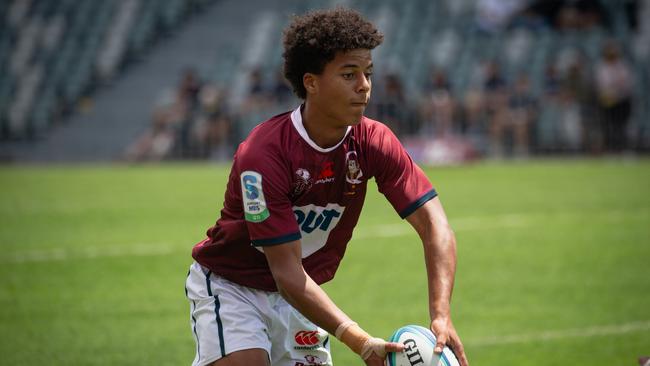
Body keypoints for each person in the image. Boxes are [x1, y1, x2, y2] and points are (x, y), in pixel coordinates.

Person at [184, 8, 468, 366]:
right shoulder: (264, 154)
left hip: (303, 296)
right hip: (234, 286)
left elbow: (435, 225)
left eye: (368, 73)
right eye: (349, 74)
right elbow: (285, 271)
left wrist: (441, 314)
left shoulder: (374, 141)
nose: (364, 85)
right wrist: (359, 339)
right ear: (311, 82)